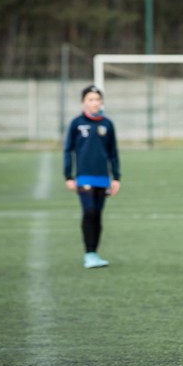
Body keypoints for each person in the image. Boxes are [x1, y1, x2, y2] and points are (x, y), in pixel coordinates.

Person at [63, 85, 121, 269]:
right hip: (84, 177)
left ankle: (94, 253)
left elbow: (113, 153)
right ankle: (88, 254)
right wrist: (68, 176)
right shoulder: (76, 123)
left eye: (97, 99)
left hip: (103, 177)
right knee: (89, 212)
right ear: (83, 102)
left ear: (101, 102)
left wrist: (116, 177)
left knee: (98, 215)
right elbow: (68, 151)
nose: (94, 103)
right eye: (90, 99)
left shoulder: (107, 124)